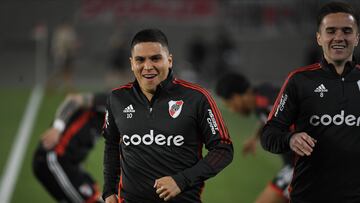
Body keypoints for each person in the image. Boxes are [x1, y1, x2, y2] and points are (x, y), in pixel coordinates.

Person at [103, 28, 233, 203]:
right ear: (131, 63)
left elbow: (223, 148)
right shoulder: (117, 99)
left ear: (169, 60)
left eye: (156, 58)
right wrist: (109, 191)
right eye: (140, 60)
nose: (148, 66)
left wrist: (181, 180)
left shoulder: (197, 98)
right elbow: (111, 144)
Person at [261, 2, 360, 202]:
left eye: (347, 31)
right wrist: (290, 139)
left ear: (357, 38)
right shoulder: (300, 81)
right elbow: (269, 134)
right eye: (331, 31)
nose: (339, 37)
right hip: (309, 196)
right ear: (319, 37)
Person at [216, 72, 292, 203]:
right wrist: (254, 138)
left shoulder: (269, 100)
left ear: (236, 97)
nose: (233, 110)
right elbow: (268, 119)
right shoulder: (259, 100)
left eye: (229, 104)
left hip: (303, 165)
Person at [33, 92, 107, 203]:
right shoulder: (115, 102)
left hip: (72, 165)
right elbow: (74, 100)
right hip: (54, 157)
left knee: (98, 197)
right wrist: (57, 127)